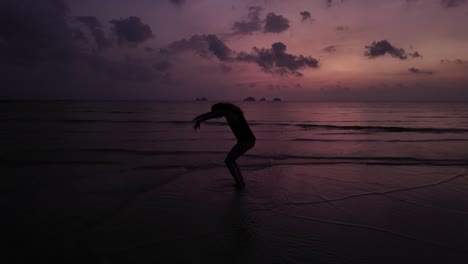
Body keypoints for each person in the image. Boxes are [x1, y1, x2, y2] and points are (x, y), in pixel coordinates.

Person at [193, 103, 256, 188]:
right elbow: (211, 114)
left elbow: (212, 115)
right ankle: (241, 182)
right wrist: (199, 117)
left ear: (220, 109)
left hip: (245, 142)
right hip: (247, 141)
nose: (216, 115)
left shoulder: (228, 112)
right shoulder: (232, 112)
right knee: (231, 161)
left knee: (229, 161)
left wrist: (200, 120)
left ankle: (239, 184)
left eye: (216, 111)